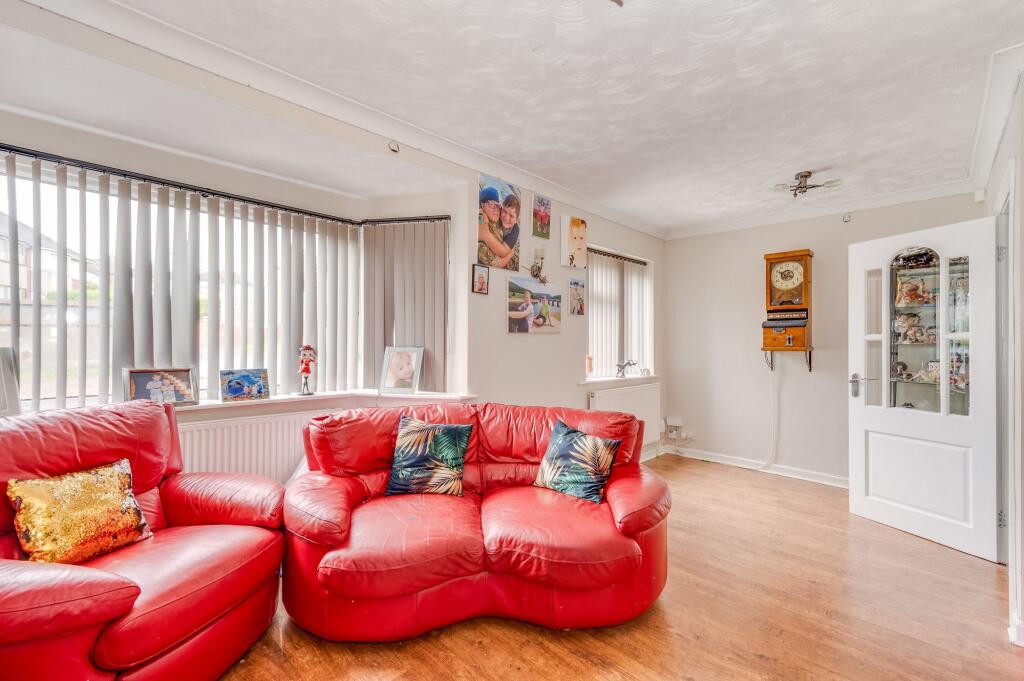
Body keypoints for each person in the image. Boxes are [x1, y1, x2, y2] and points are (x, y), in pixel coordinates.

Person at [479, 191, 520, 270]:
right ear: (502, 208)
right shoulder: (496, 213)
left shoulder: (515, 230)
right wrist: (482, 213)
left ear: (516, 220)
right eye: (504, 211)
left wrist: (511, 254)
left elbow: (503, 252)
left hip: (511, 253)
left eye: (511, 216)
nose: (506, 217)